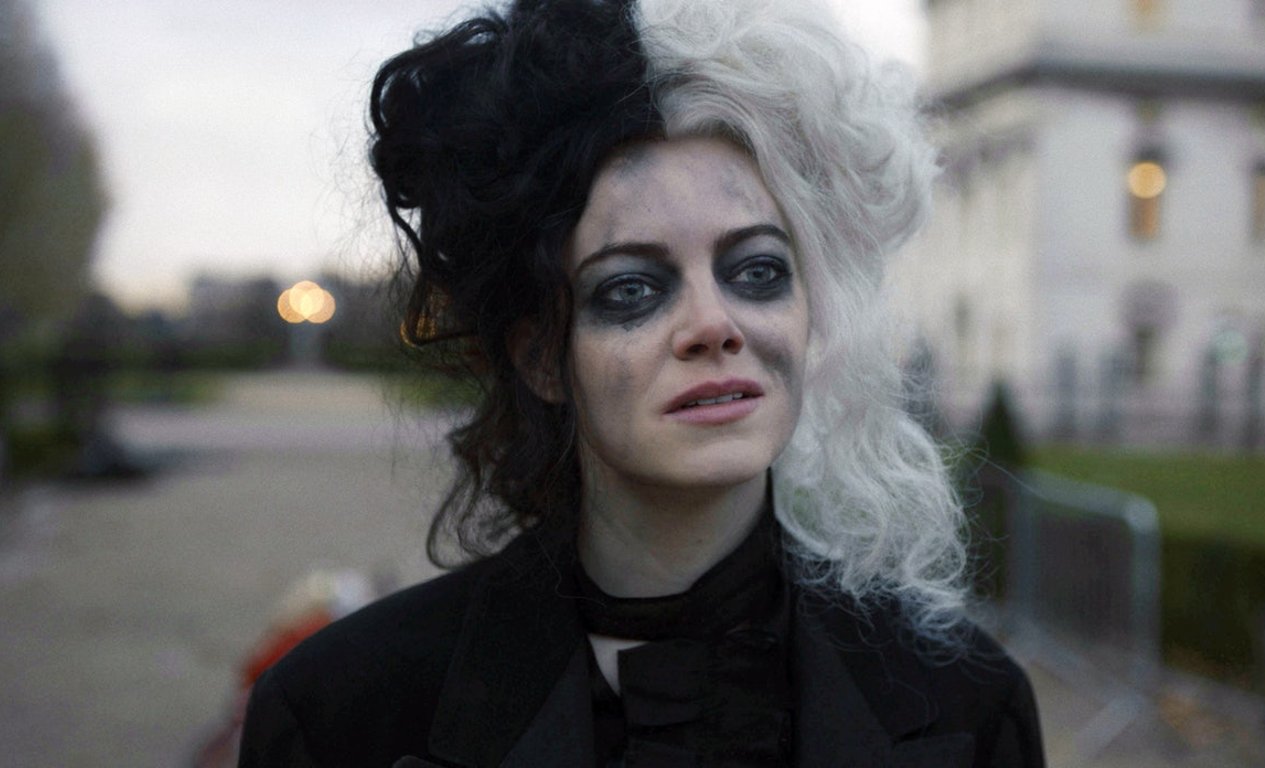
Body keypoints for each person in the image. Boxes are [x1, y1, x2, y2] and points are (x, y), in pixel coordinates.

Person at [238, 0, 1046, 765]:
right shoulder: (341, 717)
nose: (713, 323)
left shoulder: (972, 707)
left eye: (757, 271)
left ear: (811, 313)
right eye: (632, 288)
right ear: (541, 357)